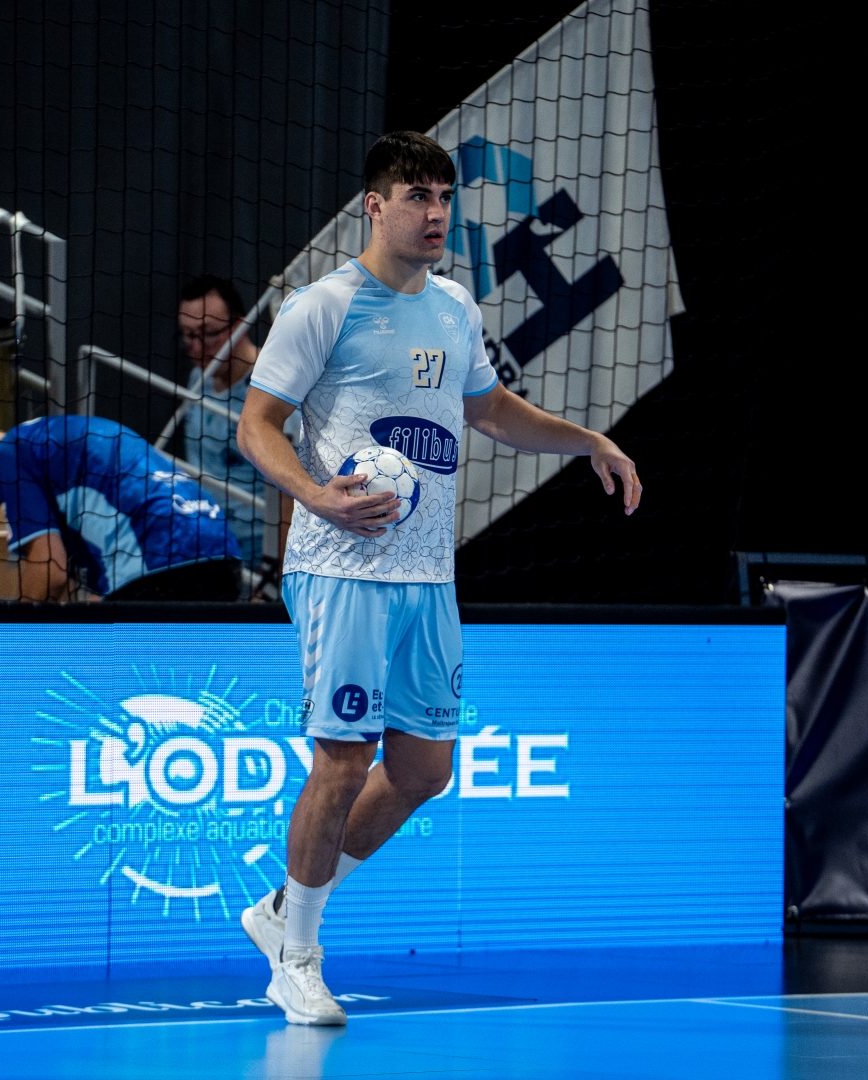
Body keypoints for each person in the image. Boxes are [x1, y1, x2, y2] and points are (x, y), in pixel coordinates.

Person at [233, 131, 642, 1026]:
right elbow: (256, 425)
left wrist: (587, 441)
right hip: (342, 568)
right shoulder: (322, 306)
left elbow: (488, 409)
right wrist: (317, 496)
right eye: (418, 196)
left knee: (423, 769)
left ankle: (281, 909)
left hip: (427, 575)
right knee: (343, 760)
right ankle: (296, 957)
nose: (436, 213)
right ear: (375, 205)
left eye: (445, 197)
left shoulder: (455, 304)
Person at [0, 417, 243, 601]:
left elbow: (49, 570)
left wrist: (12, 644)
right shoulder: (53, 439)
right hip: (222, 553)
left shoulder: (5, 455)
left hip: (161, 563)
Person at [177, 274, 284, 571]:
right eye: (187, 335)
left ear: (239, 327)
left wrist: (275, 571)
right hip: (200, 545)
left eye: (207, 333)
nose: (196, 348)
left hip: (254, 557)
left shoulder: (274, 390)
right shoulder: (198, 378)